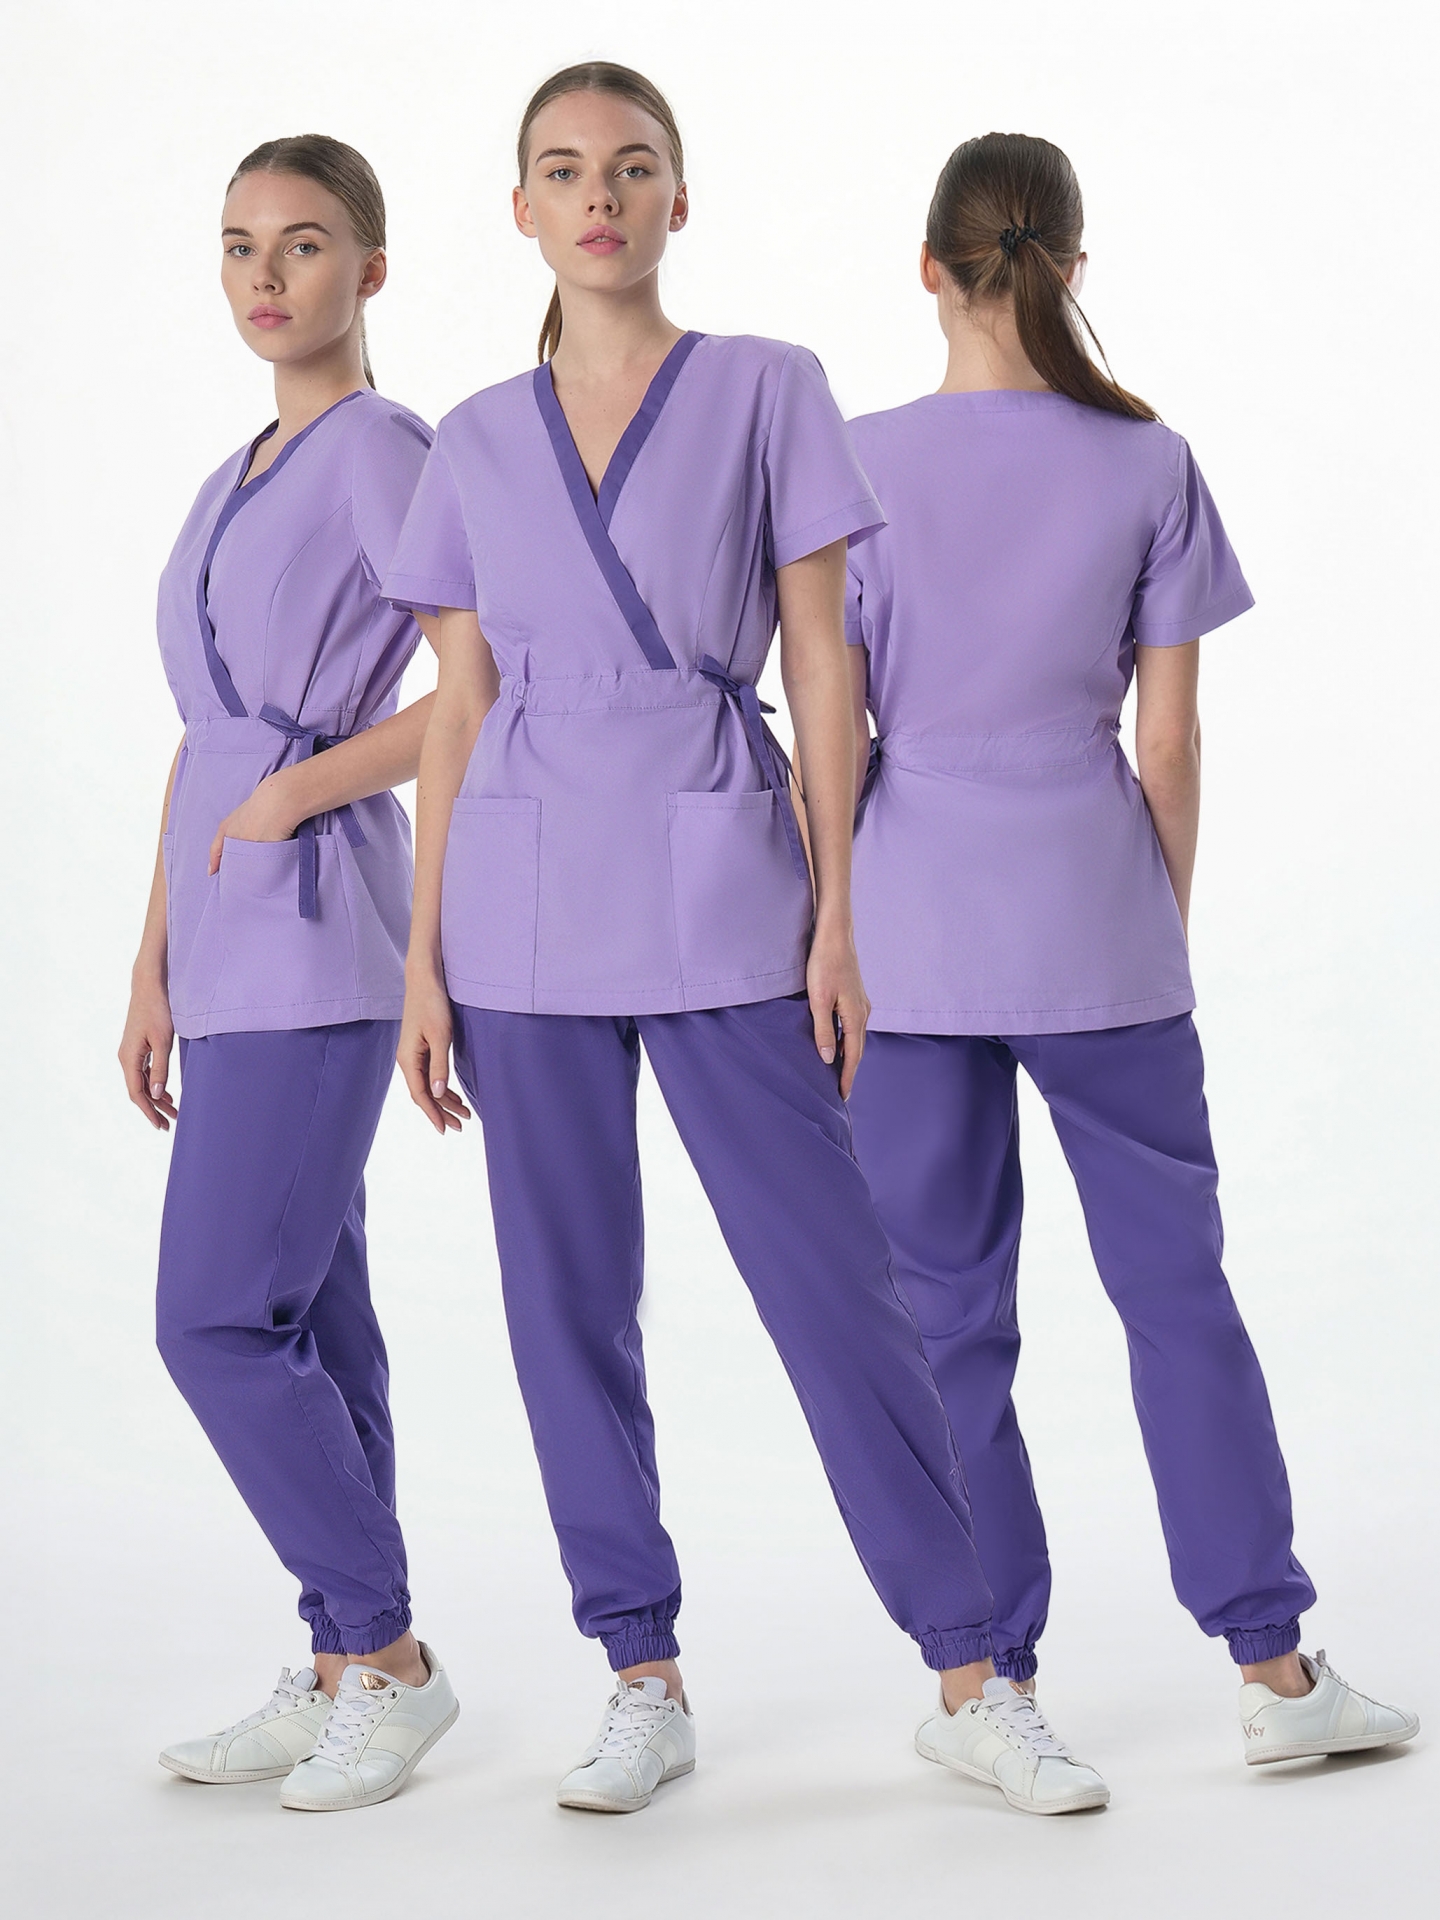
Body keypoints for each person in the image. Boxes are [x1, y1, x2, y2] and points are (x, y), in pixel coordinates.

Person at [386, 64, 1100, 1819]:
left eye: (633, 167)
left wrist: (839, 910)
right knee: (566, 1307)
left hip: (724, 882)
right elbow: (457, 704)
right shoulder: (473, 435)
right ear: (522, 210)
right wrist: (422, 959)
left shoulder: (772, 387)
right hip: (523, 911)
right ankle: (639, 1675)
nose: (601, 196)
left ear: (679, 198)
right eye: (566, 171)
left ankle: (975, 1673)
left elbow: (823, 662)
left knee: (840, 1292)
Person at [838, 130, 1418, 1784]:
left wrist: (830, 929)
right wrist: (1147, 917)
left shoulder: (852, 467)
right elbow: (1167, 741)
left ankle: (987, 1692)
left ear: (929, 268)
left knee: (945, 1323)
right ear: (1073, 266)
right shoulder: (1148, 462)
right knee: (1178, 1296)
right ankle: (1277, 1671)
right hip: (1098, 917)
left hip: (905, 935)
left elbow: (830, 733)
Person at [119, 135, 458, 1813]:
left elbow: (478, 687)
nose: (266, 275)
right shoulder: (233, 473)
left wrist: (304, 787)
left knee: (212, 1320)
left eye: (305, 244)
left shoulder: (382, 448)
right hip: (225, 938)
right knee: (315, 1319)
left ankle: (389, 1658)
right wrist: (151, 964)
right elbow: (202, 742)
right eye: (241, 243)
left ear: (369, 270)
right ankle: (338, 1660)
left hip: (318, 932)